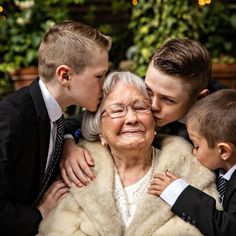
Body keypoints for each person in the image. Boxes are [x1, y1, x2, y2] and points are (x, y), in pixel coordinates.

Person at [37, 71, 220, 235]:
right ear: (98, 126)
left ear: (154, 121)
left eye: (140, 107)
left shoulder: (191, 170)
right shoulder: (74, 171)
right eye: (117, 110)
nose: (132, 118)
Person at [60, 38, 226, 187]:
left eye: (168, 100)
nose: (152, 105)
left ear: (200, 98)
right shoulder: (144, 89)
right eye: (149, 91)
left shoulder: (226, 119)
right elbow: (73, 123)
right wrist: (68, 145)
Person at [0, 20, 112, 236]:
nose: (104, 85)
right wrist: (39, 214)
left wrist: (68, 140)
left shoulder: (53, 113)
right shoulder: (10, 119)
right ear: (65, 76)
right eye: (99, 76)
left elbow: (73, 121)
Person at [148, 89, 236, 236]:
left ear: (223, 151)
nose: (193, 152)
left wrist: (180, 193)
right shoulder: (221, 164)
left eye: (196, 146)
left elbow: (228, 229)